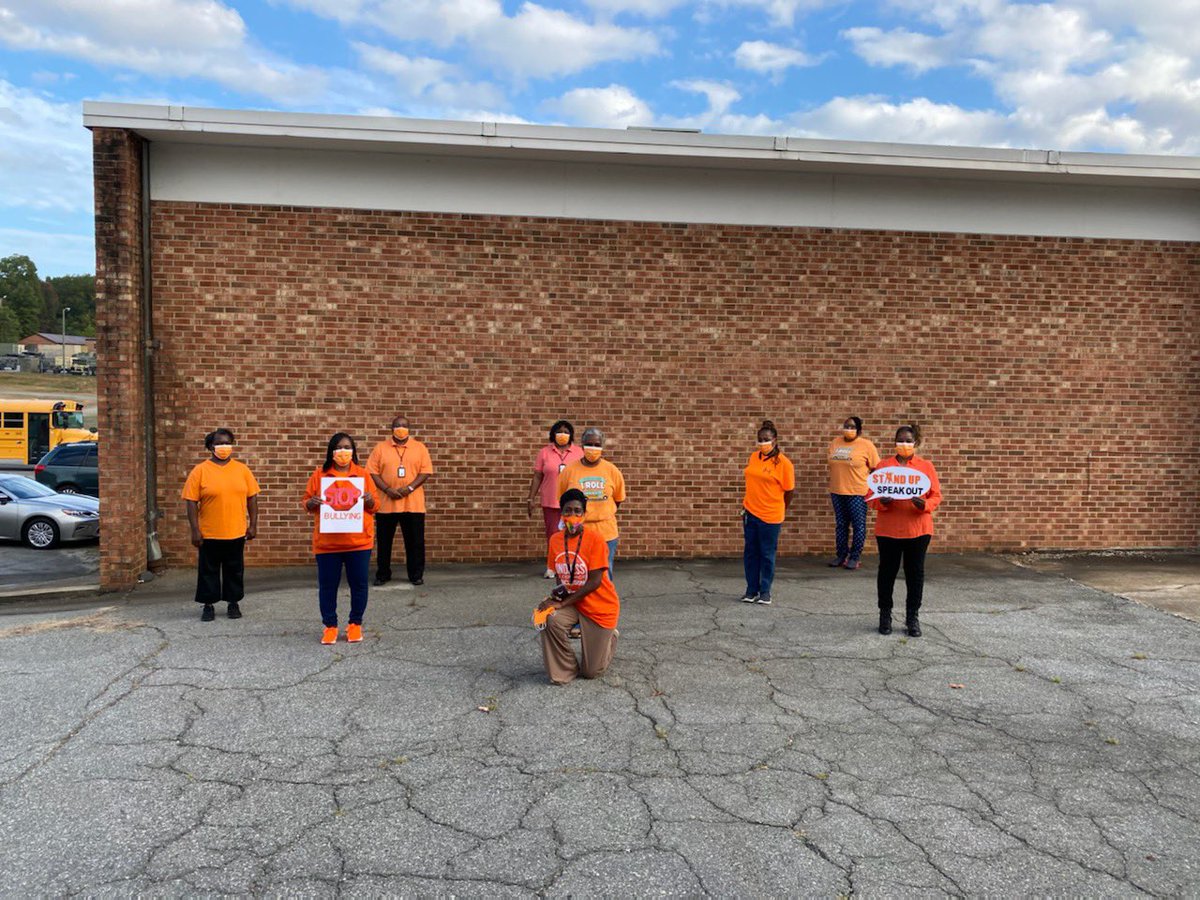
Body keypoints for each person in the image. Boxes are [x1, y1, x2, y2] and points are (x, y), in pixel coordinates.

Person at [537, 489, 620, 684]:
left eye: (577, 511)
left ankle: (611, 638)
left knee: (591, 672)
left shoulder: (596, 540)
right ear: (561, 513)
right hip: (575, 604)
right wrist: (555, 600)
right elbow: (560, 575)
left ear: (584, 514)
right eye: (567, 511)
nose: (572, 516)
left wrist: (563, 603)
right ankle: (564, 670)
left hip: (600, 607)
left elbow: (594, 582)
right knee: (549, 618)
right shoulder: (555, 540)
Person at [868, 424, 943, 637]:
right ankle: (885, 615)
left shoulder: (925, 466)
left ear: (916, 443)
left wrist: (925, 505)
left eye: (908, 440)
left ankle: (912, 617)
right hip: (888, 530)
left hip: (918, 529)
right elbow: (870, 496)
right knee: (886, 573)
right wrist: (882, 502)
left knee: (915, 574)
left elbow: (936, 495)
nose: (904, 444)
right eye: (900, 440)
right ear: (894, 442)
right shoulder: (884, 466)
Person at [304, 433, 378, 644]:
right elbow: (306, 501)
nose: (343, 452)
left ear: (353, 451)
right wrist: (312, 503)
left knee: (359, 585)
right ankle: (330, 626)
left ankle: (355, 624)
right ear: (331, 452)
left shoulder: (363, 475)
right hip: (328, 544)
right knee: (327, 586)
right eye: (338, 447)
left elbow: (376, 507)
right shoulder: (320, 475)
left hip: (358, 542)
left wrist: (371, 500)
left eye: (347, 447)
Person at [182, 428, 260, 621]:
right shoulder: (200, 471)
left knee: (234, 570)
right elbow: (191, 501)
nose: (224, 447)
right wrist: (195, 530)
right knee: (208, 571)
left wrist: (253, 525)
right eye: (219, 443)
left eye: (227, 443)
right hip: (209, 533)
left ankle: (233, 603)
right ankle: (208, 605)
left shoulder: (242, 470)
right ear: (210, 447)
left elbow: (252, 498)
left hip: (236, 531)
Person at [367, 414, 433, 587]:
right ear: (391, 429)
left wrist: (409, 488)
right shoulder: (380, 448)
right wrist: (388, 489)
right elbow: (372, 472)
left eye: (404, 425)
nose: (400, 428)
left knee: (415, 542)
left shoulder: (420, 448)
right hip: (386, 504)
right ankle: (383, 574)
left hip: (413, 504)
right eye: (397, 425)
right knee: (384, 542)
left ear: (409, 429)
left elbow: (425, 471)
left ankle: (416, 574)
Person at [557, 427, 626, 577]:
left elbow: (618, 500)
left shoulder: (612, 471)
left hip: (606, 534)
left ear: (602, 446)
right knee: (577, 575)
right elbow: (562, 500)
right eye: (589, 444)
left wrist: (601, 512)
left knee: (604, 576)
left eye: (596, 444)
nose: (592, 448)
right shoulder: (569, 471)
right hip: (576, 531)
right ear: (582, 445)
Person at [740, 420, 795, 605]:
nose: (763, 442)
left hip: (770, 516)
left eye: (767, 439)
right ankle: (751, 590)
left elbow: (789, 490)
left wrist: (780, 508)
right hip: (751, 512)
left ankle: (765, 591)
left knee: (767, 554)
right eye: (760, 439)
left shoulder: (783, 463)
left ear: (775, 440)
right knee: (750, 553)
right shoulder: (754, 457)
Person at [528, 420, 584, 577]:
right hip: (551, 500)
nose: (563, 435)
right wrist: (530, 498)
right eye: (559, 431)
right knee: (553, 536)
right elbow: (538, 476)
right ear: (553, 434)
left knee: (574, 533)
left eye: (566, 432)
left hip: (573, 502)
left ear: (571, 435)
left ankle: (574, 565)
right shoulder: (544, 452)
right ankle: (552, 567)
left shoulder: (579, 452)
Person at [827, 416, 881, 570]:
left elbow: (876, 468)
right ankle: (841, 555)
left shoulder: (866, 445)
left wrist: (870, 486)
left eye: (852, 427)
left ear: (859, 429)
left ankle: (854, 557)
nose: (848, 429)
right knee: (841, 525)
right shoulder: (835, 443)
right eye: (846, 426)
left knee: (858, 525)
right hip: (837, 490)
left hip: (858, 492)